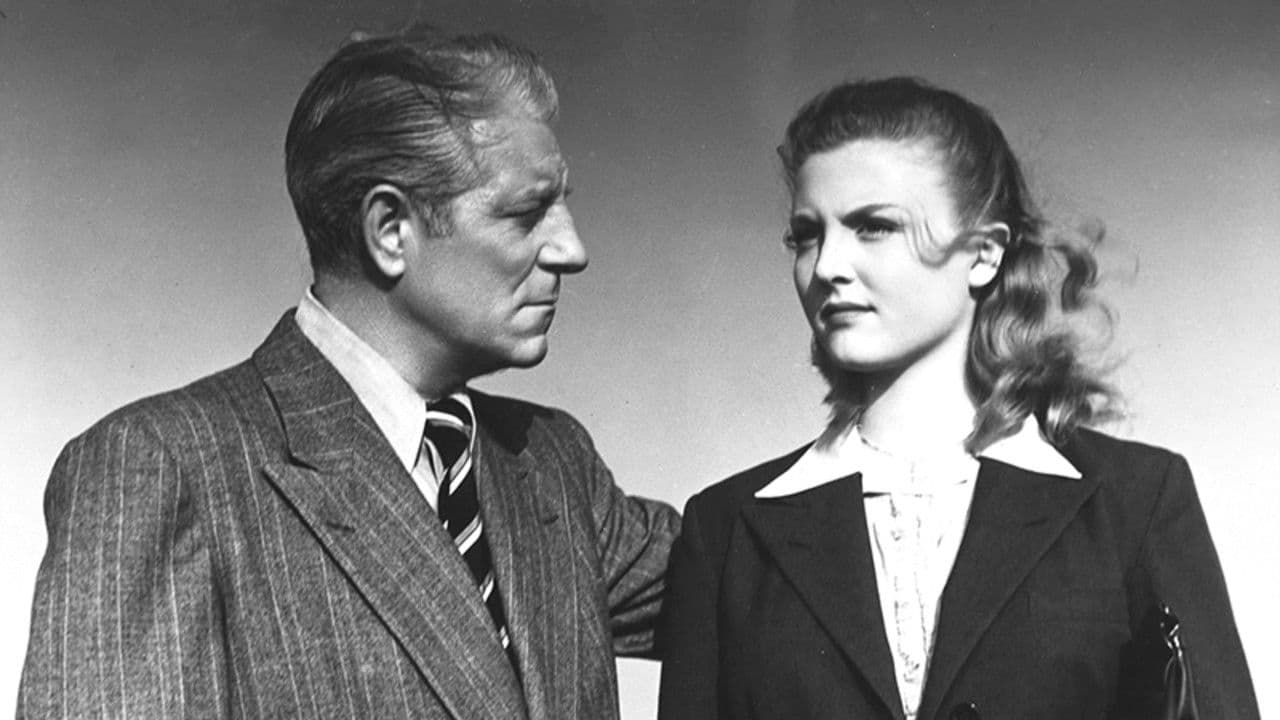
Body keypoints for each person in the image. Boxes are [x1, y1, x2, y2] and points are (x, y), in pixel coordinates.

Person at [18, 27, 678, 720]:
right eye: (527, 212)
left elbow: (743, 572)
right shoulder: (166, 469)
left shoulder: (551, 462)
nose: (572, 248)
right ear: (390, 231)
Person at [656, 77, 1258, 720]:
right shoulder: (724, 529)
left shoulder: (1136, 501)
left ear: (984, 254)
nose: (826, 265)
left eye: (874, 226)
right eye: (806, 235)